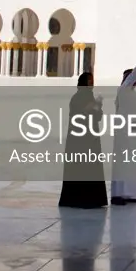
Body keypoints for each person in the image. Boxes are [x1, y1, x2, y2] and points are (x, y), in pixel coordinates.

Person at [58, 71, 108, 209]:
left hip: (91, 138)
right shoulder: (77, 97)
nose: (92, 84)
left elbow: (96, 116)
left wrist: (99, 106)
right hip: (79, 140)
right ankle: (77, 199)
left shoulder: (89, 97)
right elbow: (82, 112)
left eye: (92, 82)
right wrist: (95, 104)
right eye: (90, 82)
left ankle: (93, 199)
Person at [110, 51, 136, 206]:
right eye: (132, 78)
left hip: (133, 135)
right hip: (122, 134)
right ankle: (117, 194)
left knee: (131, 164)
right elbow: (132, 76)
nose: (134, 81)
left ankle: (131, 193)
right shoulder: (122, 90)